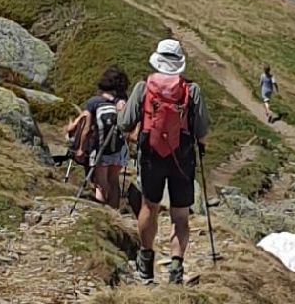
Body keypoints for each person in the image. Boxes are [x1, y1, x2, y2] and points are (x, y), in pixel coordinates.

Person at [120, 38, 210, 284]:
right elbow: (202, 132)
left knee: (150, 207)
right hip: (182, 159)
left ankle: (145, 264)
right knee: (180, 216)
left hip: (150, 157)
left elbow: (124, 123)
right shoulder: (192, 90)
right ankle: (176, 268)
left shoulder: (143, 88)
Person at [62, 65, 130, 208]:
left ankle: (103, 210)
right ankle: (115, 211)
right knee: (114, 180)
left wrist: (80, 148)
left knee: (101, 182)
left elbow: (86, 128)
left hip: (100, 148)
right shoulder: (122, 102)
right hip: (119, 148)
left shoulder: (94, 102)